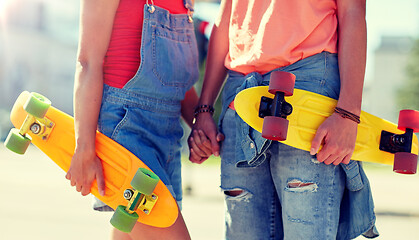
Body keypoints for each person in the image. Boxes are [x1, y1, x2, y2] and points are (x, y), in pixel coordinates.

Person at [189, 0, 379, 239]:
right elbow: (226, 16)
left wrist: (348, 113)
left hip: (307, 85)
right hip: (240, 96)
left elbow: (352, 11)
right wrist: (204, 110)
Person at [65, 0, 200, 239]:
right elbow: (88, 62)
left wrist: (201, 122)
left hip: (168, 136)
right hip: (126, 130)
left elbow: (178, 80)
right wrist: (84, 148)